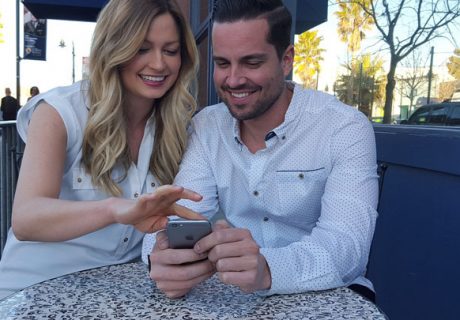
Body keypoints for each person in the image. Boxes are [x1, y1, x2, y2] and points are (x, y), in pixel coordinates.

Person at [143, 0, 379, 302]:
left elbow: (348, 247)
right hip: (237, 295)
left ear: (286, 60)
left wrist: (268, 268)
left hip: (330, 295)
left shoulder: (344, 127)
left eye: (252, 63)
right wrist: (160, 256)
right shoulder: (207, 126)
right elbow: (178, 218)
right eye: (223, 63)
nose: (233, 80)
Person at [0, 0, 203, 300]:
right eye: (141, 49)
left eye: (170, 51)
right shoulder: (59, 112)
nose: (159, 64)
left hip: (122, 294)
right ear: (114, 49)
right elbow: (26, 218)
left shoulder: (181, 127)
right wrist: (114, 210)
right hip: (32, 291)